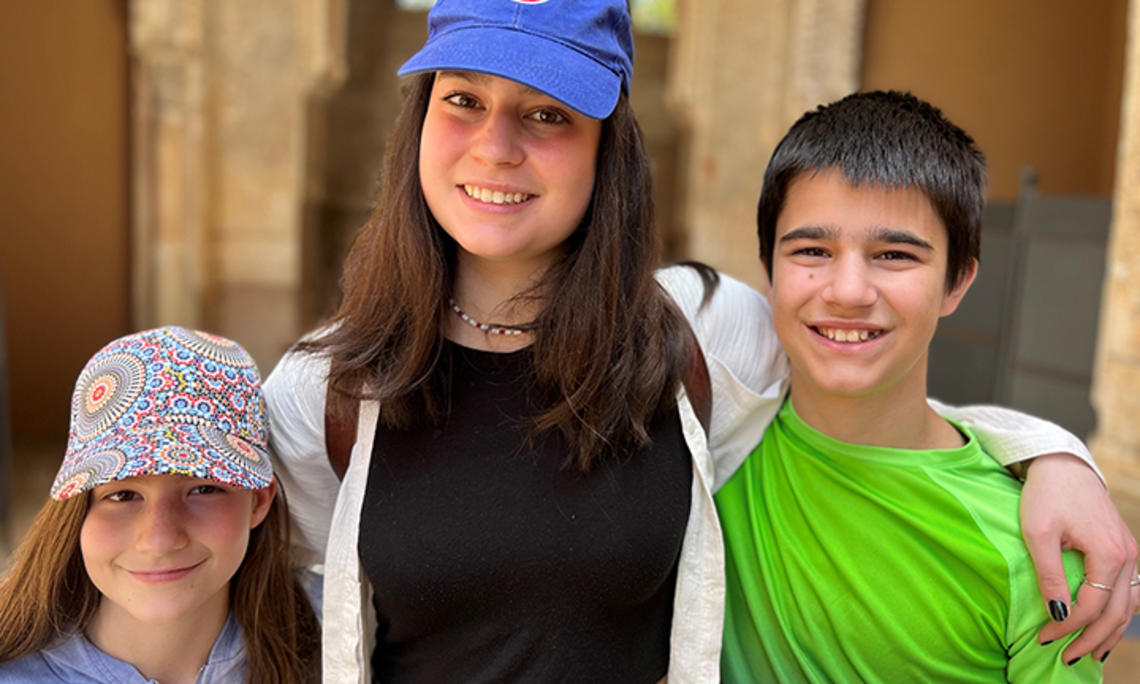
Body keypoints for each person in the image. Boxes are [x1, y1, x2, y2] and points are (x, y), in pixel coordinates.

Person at [263, 1, 1136, 681]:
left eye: (549, 115)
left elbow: (866, 385)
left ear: (608, 149)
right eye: (463, 101)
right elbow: (212, 572)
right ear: (418, 120)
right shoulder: (330, 391)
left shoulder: (699, 338)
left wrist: (1055, 458)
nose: (495, 147)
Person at [716, 91, 1121, 682]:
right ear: (768, 268)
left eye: (894, 254)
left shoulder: (1039, 547)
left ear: (957, 282)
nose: (848, 290)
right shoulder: (710, 448)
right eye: (811, 250)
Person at [0, 327, 320, 684]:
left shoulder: (340, 632)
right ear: (79, 509)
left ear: (258, 501)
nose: (159, 539)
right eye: (123, 495)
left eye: (202, 489)